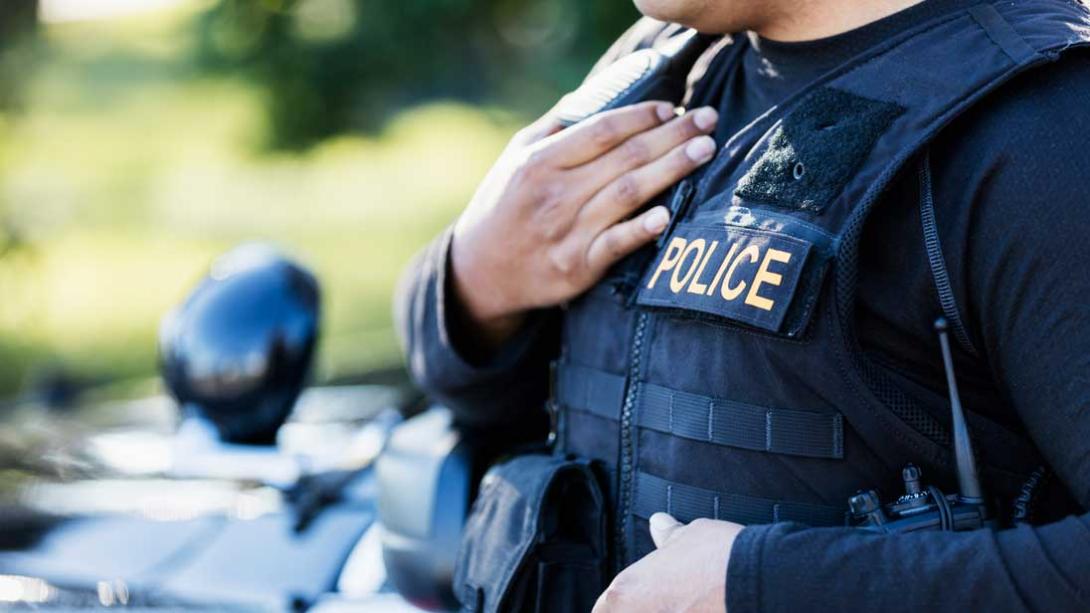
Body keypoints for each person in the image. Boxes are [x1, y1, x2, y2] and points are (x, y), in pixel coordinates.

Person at [395, 0, 1090, 609]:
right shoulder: (657, 63)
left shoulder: (1046, 129)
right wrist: (473, 282)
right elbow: (487, 400)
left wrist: (769, 587)